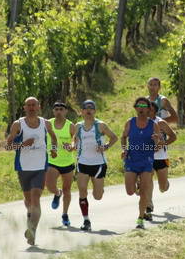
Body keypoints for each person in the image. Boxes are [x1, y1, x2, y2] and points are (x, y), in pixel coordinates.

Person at [5, 97, 58, 246]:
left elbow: (54, 138)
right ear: (24, 108)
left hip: (40, 167)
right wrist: (22, 144)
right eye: (28, 105)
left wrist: (53, 150)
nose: (31, 107)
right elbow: (8, 147)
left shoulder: (45, 124)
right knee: (29, 202)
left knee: (36, 198)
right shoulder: (18, 124)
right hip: (23, 168)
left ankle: (32, 230)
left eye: (34, 105)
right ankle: (31, 227)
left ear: (39, 107)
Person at [73, 100, 119, 232]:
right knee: (82, 190)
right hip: (82, 162)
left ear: (95, 111)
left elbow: (114, 137)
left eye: (91, 108)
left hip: (98, 164)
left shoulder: (100, 126)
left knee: (97, 196)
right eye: (86, 108)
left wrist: (106, 146)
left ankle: (100, 189)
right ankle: (86, 220)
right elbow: (75, 141)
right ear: (81, 111)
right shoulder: (78, 126)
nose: (88, 110)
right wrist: (71, 146)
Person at [121, 97, 162, 229]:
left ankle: (140, 218)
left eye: (144, 106)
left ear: (149, 109)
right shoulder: (130, 122)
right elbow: (123, 137)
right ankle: (137, 186)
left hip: (146, 160)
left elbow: (158, 147)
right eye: (139, 105)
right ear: (135, 108)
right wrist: (124, 150)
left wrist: (156, 141)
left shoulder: (153, 125)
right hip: (132, 159)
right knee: (129, 191)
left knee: (144, 191)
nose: (141, 108)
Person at [45, 102, 76, 227]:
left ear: (65, 111)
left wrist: (71, 147)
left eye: (61, 109)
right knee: (50, 186)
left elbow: (75, 140)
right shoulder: (48, 123)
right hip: (52, 161)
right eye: (56, 109)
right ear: (53, 111)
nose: (58, 111)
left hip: (67, 162)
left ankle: (65, 214)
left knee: (67, 189)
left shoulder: (70, 125)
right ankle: (57, 193)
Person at [146, 100, 177, 220]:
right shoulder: (140, 123)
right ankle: (149, 206)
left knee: (162, 187)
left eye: (150, 110)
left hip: (161, 158)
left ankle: (165, 184)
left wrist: (164, 143)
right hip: (147, 157)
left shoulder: (161, 123)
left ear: (155, 111)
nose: (147, 112)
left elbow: (173, 136)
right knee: (147, 181)